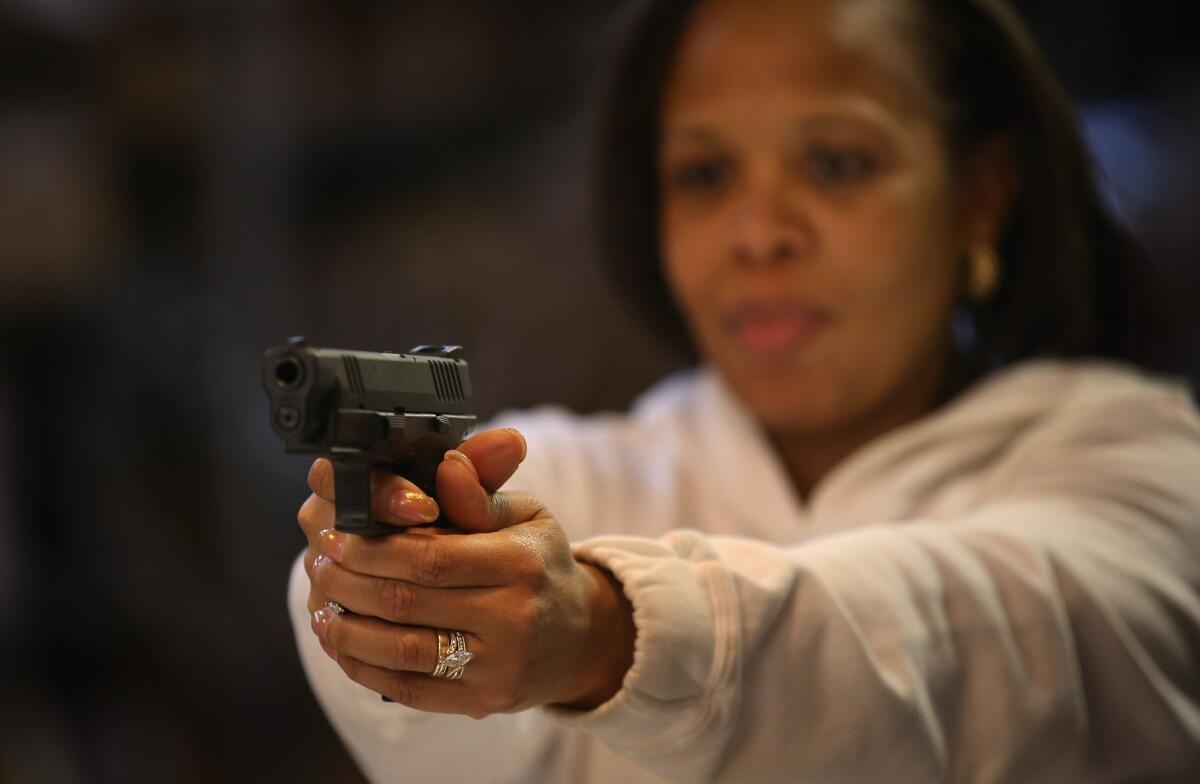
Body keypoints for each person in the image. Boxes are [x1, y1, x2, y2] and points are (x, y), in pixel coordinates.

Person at [289, 0, 1200, 781]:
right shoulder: (563, 484)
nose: (758, 235)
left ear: (982, 196)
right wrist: (386, 584)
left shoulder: (1141, 467)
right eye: (705, 174)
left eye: (839, 163)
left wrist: (609, 639)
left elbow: (989, 648)